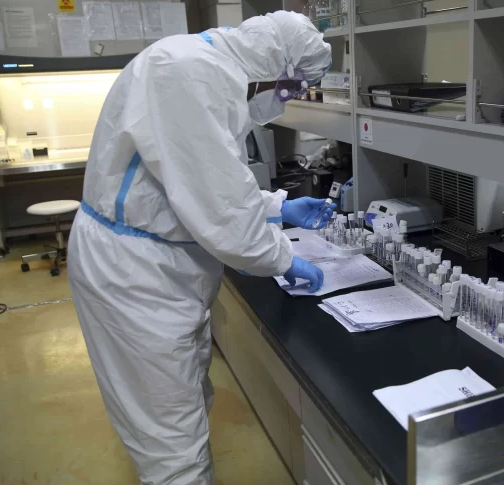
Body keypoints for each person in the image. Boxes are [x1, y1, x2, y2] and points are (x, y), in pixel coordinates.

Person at [67, 11, 333, 484]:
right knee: (172, 443)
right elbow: (216, 202)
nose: (287, 99)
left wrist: (277, 207)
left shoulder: (210, 68)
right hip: (133, 275)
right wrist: (280, 256)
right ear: (276, 66)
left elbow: (205, 179)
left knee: (184, 401)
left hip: (159, 266)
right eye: (292, 88)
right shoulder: (187, 73)